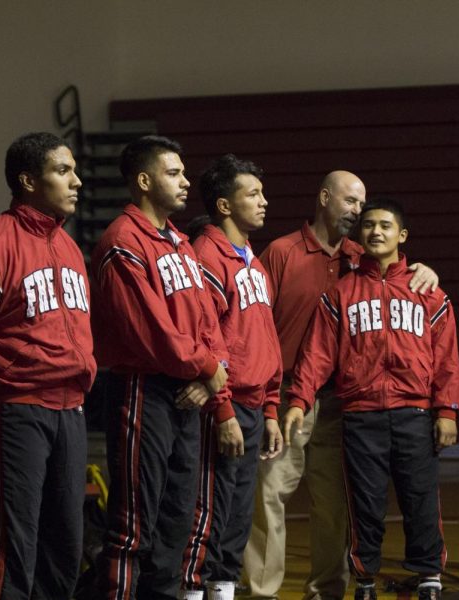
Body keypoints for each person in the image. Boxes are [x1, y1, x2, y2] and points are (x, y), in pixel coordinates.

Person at [243, 172, 438, 600]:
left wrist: (425, 269)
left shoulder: (359, 254)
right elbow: (255, 324)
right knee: (269, 496)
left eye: (363, 204)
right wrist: (267, 396)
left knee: (334, 505)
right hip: (286, 393)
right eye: (351, 202)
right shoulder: (281, 252)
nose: (358, 211)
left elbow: (396, 276)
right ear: (325, 198)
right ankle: (261, 591)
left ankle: (326, 591)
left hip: (339, 400)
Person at [284, 198, 459, 600]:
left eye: (384, 225)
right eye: (367, 226)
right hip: (360, 414)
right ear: (359, 235)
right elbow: (317, 354)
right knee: (364, 503)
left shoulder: (428, 292)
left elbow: (446, 358)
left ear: (402, 236)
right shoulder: (341, 293)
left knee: (420, 497)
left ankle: (429, 574)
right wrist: (298, 399)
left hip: (414, 412)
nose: (375, 232)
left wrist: (446, 410)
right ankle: (365, 578)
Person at [90, 135, 230, 600]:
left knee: (176, 519)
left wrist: (208, 377)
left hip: (186, 393)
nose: (186, 180)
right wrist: (207, 368)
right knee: (134, 524)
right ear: (145, 180)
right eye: (174, 173)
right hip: (142, 391)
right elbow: (151, 331)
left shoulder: (182, 244)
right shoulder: (122, 241)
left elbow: (208, 320)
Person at [0, 132, 96, 599]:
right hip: (18, 409)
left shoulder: (70, 247)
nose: (77, 181)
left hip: (72, 411)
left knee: (66, 545)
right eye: (63, 171)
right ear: (28, 181)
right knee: (13, 547)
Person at [181, 154, 284, 600]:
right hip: (224, 405)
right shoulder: (206, 255)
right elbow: (204, 337)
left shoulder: (253, 262)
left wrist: (273, 406)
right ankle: (193, 589)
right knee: (210, 507)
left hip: (254, 404)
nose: (264, 201)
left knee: (238, 510)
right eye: (253, 194)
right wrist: (222, 408)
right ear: (224, 205)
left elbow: (265, 340)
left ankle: (223, 587)